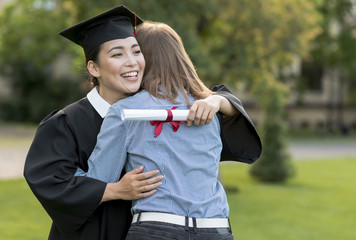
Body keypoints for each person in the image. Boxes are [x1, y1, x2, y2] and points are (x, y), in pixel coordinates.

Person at [23, 5, 261, 240]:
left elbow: (215, 108)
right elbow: (52, 184)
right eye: (117, 54)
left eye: (137, 52)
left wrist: (219, 101)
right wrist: (114, 190)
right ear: (94, 68)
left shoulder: (170, 110)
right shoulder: (65, 123)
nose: (132, 62)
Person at [76, 20, 251, 240]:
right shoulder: (210, 107)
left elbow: (100, 178)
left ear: (143, 60)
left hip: (157, 229)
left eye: (136, 52)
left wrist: (65, 178)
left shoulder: (126, 111)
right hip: (215, 229)